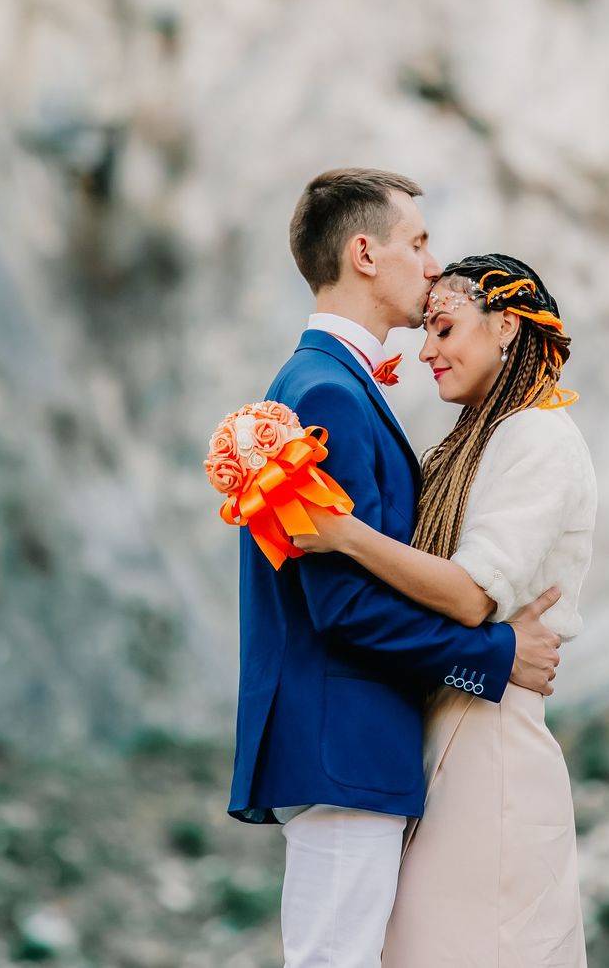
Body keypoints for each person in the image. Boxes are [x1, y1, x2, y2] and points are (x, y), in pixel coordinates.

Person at [226, 170, 564, 968]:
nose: (432, 262)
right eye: (417, 242)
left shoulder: (322, 383)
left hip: (344, 742)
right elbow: (342, 605)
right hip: (344, 741)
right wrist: (497, 655)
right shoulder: (327, 394)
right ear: (365, 254)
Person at [294, 253, 598, 967]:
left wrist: (345, 534)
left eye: (445, 329)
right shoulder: (475, 439)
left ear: (506, 327)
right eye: (425, 331)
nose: (426, 350)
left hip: (490, 743)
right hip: (447, 723)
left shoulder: (537, 437)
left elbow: (468, 593)